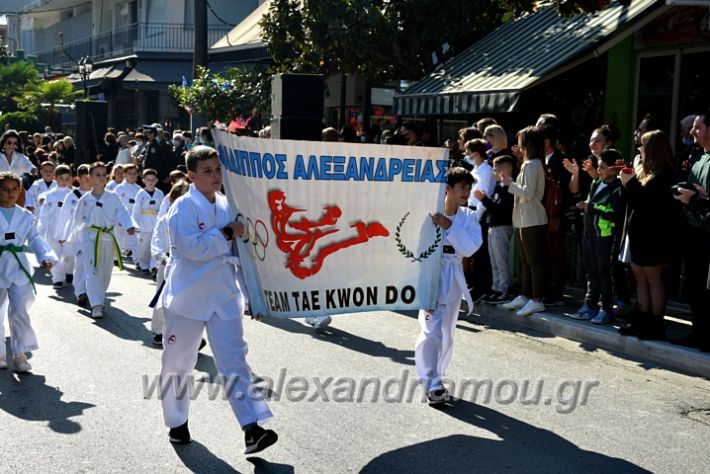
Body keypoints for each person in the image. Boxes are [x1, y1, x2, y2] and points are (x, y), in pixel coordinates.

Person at [158, 145, 277, 453]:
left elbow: (244, 256)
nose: (215, 176)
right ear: (191, 175)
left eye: (218, 170)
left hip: (224, 294)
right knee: (178, 363)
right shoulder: (182, 207)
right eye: (207, 171)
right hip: (187, 296)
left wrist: (254, 298)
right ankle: (177, 421)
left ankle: (252, 428)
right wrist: (226, 233)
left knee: (234, 359)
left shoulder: (228, 204)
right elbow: (191, 249)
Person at [415, 167, 482, 405]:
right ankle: (430, 382)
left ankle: (438, 377)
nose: (466, 192)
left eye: (468, 188)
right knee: (430, 330)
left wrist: (450, 227)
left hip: (453, 279)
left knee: (446, 335)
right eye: (462, 187)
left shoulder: (469, 217)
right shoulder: (430, 213)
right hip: (432, 278)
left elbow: (470, 248)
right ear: (448, 188)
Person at [618, 130, 682, 340]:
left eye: (642, 146)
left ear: (653, 148)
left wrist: (631, 183)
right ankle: (643, 321)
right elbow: (632, 199)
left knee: (653, 279)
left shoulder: (665, 175)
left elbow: (649, 203)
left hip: (655, 236)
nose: (639, 150)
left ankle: (655, 325)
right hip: (638, 234)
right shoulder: (646, 172)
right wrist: (628, 182)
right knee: (640, 279)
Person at [0, 171, 56, 372]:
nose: (10, 194)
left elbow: (34, 238)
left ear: (20, 191)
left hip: (18, 267)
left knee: (19, 311)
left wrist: (44, 256)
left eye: (14, 190)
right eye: (5, 190)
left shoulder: (25, 215)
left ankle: (20, 353)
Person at [68, 162, 136, 319]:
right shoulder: (84, 200)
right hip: (90, 238)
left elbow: (123, 212)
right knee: (93, 269)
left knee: (105, 271)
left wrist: (129, 225)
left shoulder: (113, 197)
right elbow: (77, 221)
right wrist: (74, 240)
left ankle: (98, 294)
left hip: (107, 238)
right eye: (97, 175)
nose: (101, 178)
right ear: (89, 178)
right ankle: (96, 304)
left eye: (103, 175)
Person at [571, 149, 624, 324]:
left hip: (605, 236)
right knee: (591, 272)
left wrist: (590, 206)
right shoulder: (596, 182)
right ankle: (590, 305)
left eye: (602, 167)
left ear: (613, 169)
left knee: (604, 274)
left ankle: (606, 309)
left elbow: (613, 212)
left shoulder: (618, 188)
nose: (598, 170)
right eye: (598, 166)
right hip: (589, 233)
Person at [500, 126, 548, 317]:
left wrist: (509, 184)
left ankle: (536, 299)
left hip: (532, 218)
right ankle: (526, 295)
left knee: (534, 261)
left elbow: (527, 193)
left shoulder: (532, 164)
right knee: (525, 260)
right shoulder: (530, 163)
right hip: (525, 218)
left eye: (521, 141)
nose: (518, 144)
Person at [674, 111, 710, 352]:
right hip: (693, 230)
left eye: (698, 127)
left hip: (707, 232)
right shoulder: (698, 156)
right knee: (695, 285)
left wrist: (696, 199)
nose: (692, 132)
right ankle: (697, 331)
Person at [150, 180, 189, 346]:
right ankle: (159, 330)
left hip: (187, 265)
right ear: (171, 200)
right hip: (167, 264)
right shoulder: (163, 220)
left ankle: (187, 334)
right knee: (163, 298)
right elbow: (156, 242)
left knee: (186, 300)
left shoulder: (192, 221)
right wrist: (162, 258)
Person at [476, 155, 515, 304]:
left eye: (495, 169)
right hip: (494, 226)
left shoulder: (508, 187)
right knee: (494, 259)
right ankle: (496, 287)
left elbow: (500, 209)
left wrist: (484, 200)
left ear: (504, 171)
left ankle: (503, 289)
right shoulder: (499, 187)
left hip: (502, 226)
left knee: (500, 259)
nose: (493, 173)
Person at [57, 164, 93, 305]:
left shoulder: (97, 195)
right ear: (78, 178)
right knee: (78, 263)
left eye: (91, 177)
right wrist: (61, 235)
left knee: (91, 264)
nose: (89, 181)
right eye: (85, 178)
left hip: (93, 235)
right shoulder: (71, 196)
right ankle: (80, 292)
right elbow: (64, 216)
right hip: (76, 235)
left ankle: (90, 289)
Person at [465, 138, 495, 302]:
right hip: (471, 212)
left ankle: (483, 286)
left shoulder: (486, 170)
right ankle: (476, 284)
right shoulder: (475, 169)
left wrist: (476, 217)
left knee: (481, 254)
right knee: (474, 253)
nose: (466, 155)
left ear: (476, 153)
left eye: (468, 152)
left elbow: (485, 195)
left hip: (479, 214)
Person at [37, 165, 75, 289]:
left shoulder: (74, 195)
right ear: (55, 179)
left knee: (70, 254)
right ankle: (58, 278)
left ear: (71, 179)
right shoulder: (50, 195)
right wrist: (40, 231)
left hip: (69, 232)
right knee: (55, 255)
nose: (64, 181)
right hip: (52, 232)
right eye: (61, 178)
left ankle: (69, 271)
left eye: (67, 178)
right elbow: (44, 215)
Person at [131, 168, 165, 273]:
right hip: (143, 223)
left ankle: (153, 266)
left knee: (154, 244)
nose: (150, 182)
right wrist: (135, 224)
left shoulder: (160, 194)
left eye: (152, 180)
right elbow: (136, 211)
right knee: (143, 246)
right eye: (148, 179)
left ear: (156, 181)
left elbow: (163, 209)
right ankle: (141, 263)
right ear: (143, 181)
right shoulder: (140, 194)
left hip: (155, 222)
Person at [0, 130, 35, 207]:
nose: (12, 145)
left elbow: (30, 167)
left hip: (17, 190)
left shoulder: (21, 157)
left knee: (18, 213)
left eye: (15, 143)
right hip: (1, 189)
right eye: (9, 142)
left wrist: (34, 171)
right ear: (4, 142)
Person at [114, 163, 141, 257]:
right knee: (119, 237)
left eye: (134, 173)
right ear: (125, 174)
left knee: (132, 237)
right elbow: (115, 205)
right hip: (121, 217)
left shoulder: (139, 189)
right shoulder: (119, 188)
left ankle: (132, 254)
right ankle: (116, 257)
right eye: (130, 173)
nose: (132, 175)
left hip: (133, 216)